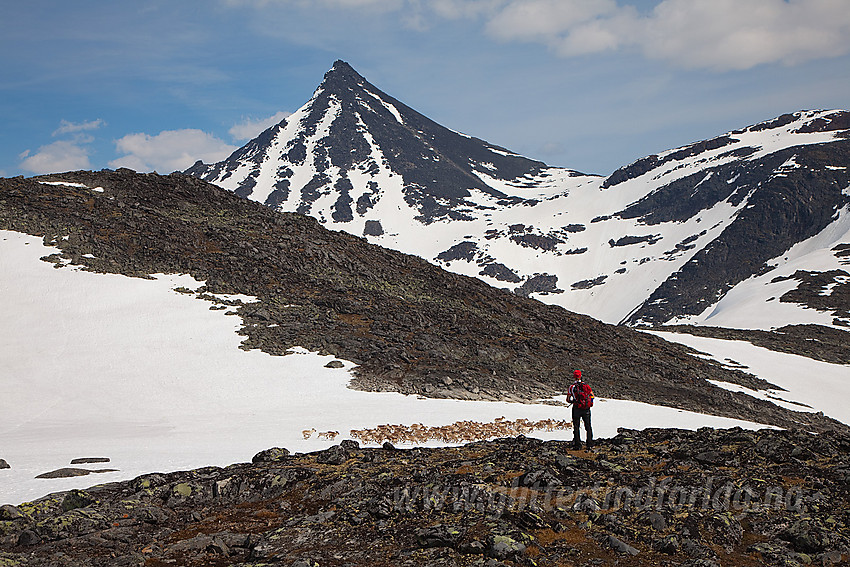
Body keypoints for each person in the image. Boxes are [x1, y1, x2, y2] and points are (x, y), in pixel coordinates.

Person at [566, 369, 593, 450]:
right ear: (581, 376)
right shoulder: (586, 386)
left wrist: (572, 401)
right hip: (586, 408)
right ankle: (590, 444)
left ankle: (577, 444)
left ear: (574, 377)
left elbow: (568, 399)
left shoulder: (572, 387)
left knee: (576, 426)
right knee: (588, 426)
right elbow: (592, 395)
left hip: (576, 408)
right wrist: (590, 403)